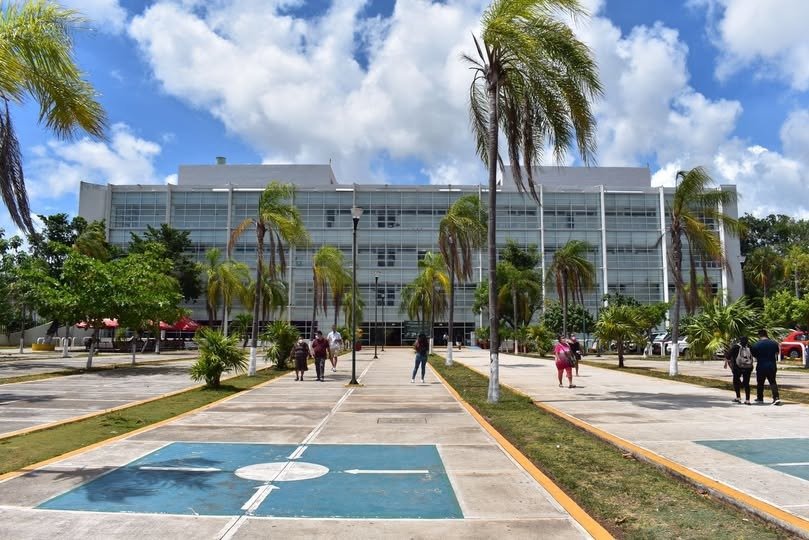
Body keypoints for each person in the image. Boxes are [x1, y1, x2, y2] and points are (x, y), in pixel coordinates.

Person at [751, 329, 781, 405]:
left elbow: (754, 355)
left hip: (761, 365)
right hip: (772, 365)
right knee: (773, 382)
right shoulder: (774, 343)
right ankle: (776, 398)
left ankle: (760, 398)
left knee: (760, 382)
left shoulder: (756, 345)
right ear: (766, 334)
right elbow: (777, 353)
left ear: (759, 335)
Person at [724, 336, 754, 404]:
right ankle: (747, 400)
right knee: (747, 383)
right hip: (748, 367)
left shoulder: (735, 347)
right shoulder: (749, 346)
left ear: (740, 340)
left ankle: (738, 397)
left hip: (737, 367)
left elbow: (728, 356)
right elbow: (754, 354)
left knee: (736, 381)